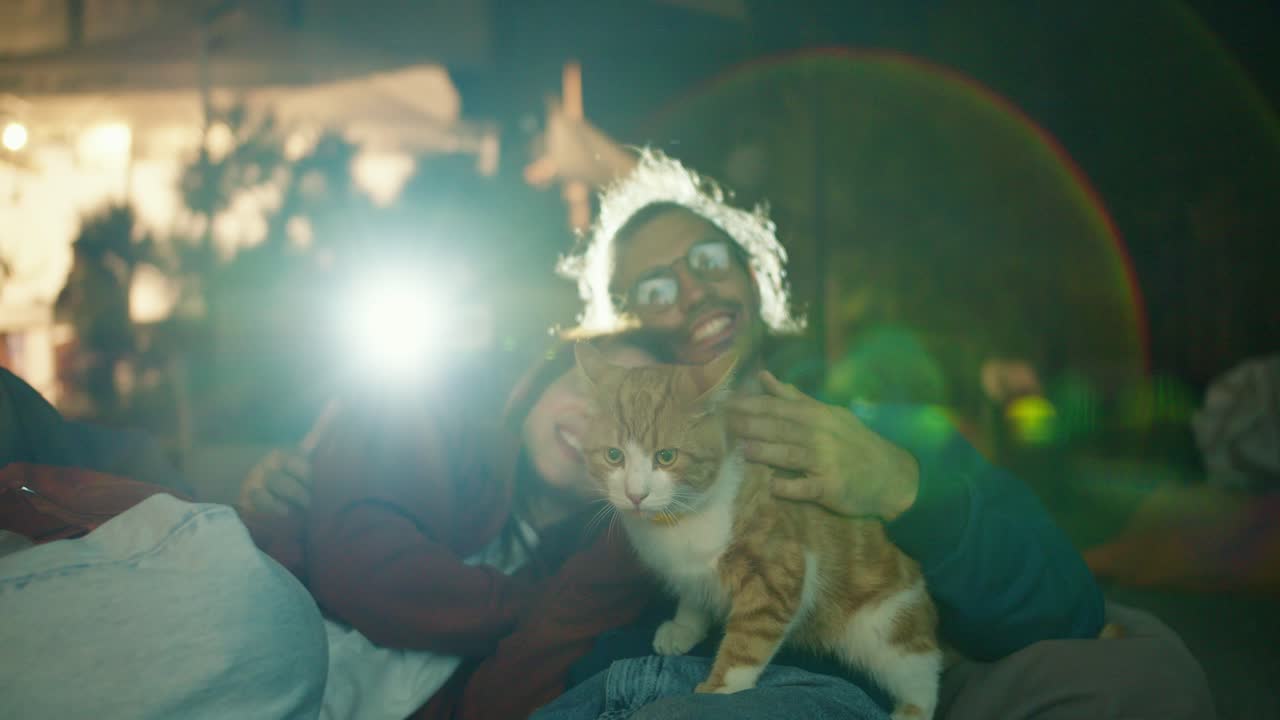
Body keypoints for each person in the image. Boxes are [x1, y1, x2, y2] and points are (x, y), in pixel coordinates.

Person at [525, 132, 1216, 718]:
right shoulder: (621, 467)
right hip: (746, 689)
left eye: (709, 261)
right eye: (655, 288)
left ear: (754, 277)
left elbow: (1063, 606)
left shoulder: (867, 412)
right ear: (627, 325)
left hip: (922, 666)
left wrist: (901, 485)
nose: (694, 290)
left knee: (1150, 669)